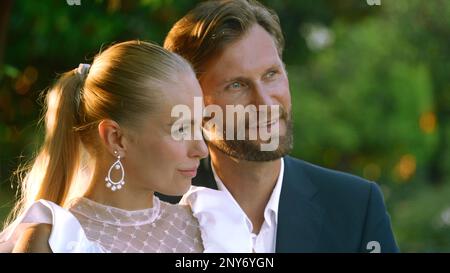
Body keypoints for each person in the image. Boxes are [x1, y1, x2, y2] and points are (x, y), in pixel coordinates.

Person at [161, 0, 399, 252]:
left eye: (271, 74)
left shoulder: (356, 207)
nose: (264, 102)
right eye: (236, 85)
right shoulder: (152, 212)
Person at [0, 40, 210, 253]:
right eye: (181, 129)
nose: (202, 150)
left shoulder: (210, 230)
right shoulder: (55, 242)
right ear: (116, 138)